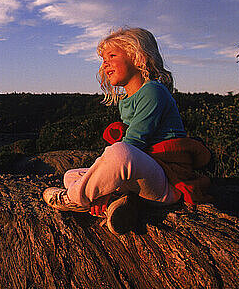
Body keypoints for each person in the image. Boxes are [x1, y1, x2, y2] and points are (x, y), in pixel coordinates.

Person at [43, 27, 211, 235]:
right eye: (103, 59)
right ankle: (121, 205)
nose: (105, 64)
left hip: (166, 179)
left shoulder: (153, 91)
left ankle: (74, 199)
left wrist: (106, 188)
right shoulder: (125, 102)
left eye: (112, 56)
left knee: (120, 152)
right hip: (144, 180)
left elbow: (134, 143)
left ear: (138, 57)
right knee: (71, 175)